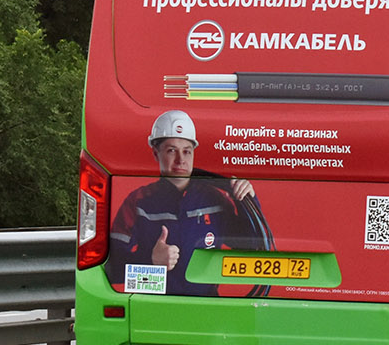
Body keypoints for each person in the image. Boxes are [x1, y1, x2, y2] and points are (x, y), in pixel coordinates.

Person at [108, 110, 272, 295]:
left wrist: (246, 198)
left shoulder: (214, 199)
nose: (180, 160)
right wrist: (150, 260)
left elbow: (253, 247)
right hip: (152, 309)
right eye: (171, 150)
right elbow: (112, 269)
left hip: (206, 310)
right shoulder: (138, 202)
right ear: (156, 153)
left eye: (186, 151)